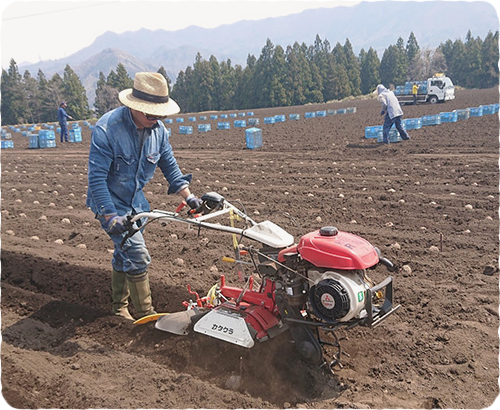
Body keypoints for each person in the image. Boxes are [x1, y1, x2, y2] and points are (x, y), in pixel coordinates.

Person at [86, 72, 202, 320]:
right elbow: (96, 179)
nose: (156, 119)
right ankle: (146, 317)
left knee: (123, 252)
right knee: (137, 254)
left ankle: (119, 308)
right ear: (134, 107)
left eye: (160, 114)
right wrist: (109, 216)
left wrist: (189, 196)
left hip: (136, 203)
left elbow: (169, 166)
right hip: (110, 202)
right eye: (151, 114)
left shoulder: (158, 131)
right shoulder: (107, 130)